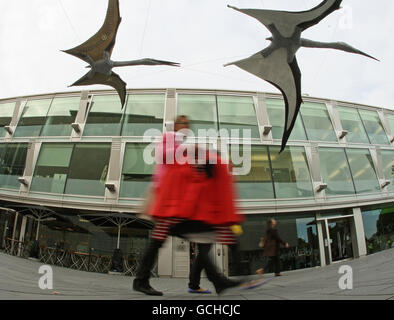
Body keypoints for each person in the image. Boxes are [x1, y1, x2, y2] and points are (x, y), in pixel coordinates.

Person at [132, 115, 244, 296]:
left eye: (188, 124)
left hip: (177, 195)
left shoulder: (182, 144)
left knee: (200, 238)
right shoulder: (169, 138)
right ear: (176, 125)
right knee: (169, 237)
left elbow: (187, 162)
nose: (186, 126)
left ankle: (209, 281)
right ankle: (142, 280)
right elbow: (168, 158)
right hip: (164, 193)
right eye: (183, 123)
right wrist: (195, 152)